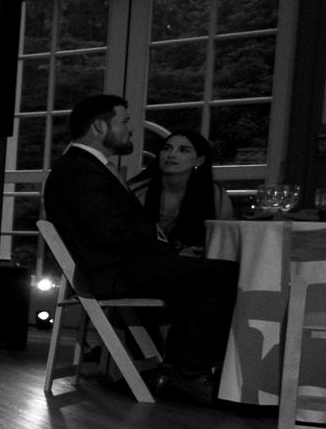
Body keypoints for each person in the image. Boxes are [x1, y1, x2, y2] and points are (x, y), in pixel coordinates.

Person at [42, 95, 238, 397]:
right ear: (100, 126)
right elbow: (111, 234)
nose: (129, 129)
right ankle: (189, 373)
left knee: (209, 275)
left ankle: (177, 369)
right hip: (112, 272)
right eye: (123, 122)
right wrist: (167, 251)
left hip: (122, 266)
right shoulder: (79, 171)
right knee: (223, 275)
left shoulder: (87, 167)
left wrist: (170, 254)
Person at [129, 128, 235, 255]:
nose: (171, 155)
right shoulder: (138, 191)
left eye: (183, 150)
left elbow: (225, 241)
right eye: (167, 148)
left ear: (199, 161)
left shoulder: (214, 193)